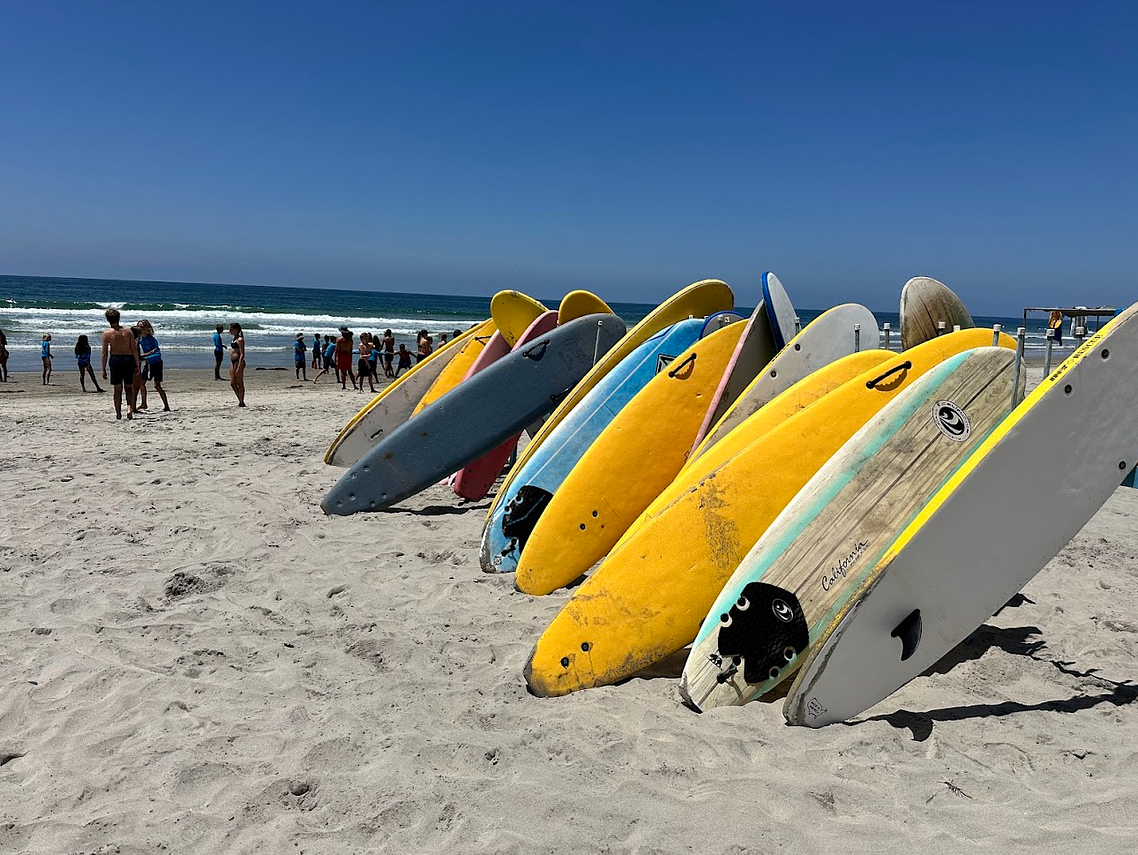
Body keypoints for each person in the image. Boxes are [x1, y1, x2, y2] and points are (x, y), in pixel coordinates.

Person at [101, 308, 140, 419]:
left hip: (116, 360)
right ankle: (129, 408)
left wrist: (103, 369)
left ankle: (118, 413)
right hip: (129, 359)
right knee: (129, 387)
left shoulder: (107, 334)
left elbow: (104, 353)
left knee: (117, 389)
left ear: (108, 320)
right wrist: (137, 364)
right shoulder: (128, 331)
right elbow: (134, 350)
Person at [137, 319, 170, 411]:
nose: (140, 329)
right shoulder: (140, 339)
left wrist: (144, 358)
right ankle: (144, 404)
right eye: (139, 327)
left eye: (142, 327)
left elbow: (157, 354)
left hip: (156, 363)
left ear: (147, 328)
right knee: (141, 383)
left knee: (157, 385)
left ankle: (166, 405)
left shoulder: (151, 340)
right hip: (148, 363)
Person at [130, 326, 147, 411]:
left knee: (132, 387)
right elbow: (137, 356)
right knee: (135, 388)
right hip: (135, 367)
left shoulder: (129, 342)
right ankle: (133, 408)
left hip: (130, 366)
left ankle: (132, 406)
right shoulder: (136, 343)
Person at [229, 322, 246, 406]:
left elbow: (242, 354)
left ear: (236, 329)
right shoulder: (234, 338)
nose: (230, 331)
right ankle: (240, 399)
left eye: (231, 329)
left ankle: (241, 401)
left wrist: (240, 365)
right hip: (233, 362)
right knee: (232, 383)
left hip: (238, 362)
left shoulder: (240, 340)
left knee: (239, 382)